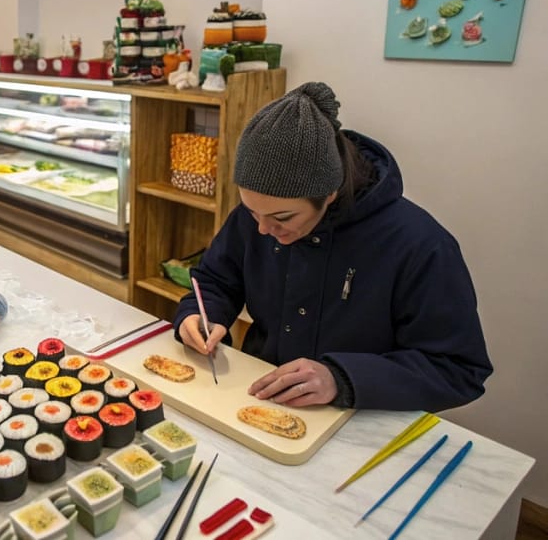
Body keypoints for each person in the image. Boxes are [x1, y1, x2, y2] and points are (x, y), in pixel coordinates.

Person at [173, 81, 492, 412]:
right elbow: (214, 280)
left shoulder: (420, 245)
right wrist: (199, 314)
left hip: (362, 420)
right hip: (260, 401)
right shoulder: (260, 218)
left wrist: (342, 379)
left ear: (330, 193)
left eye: (282, 217)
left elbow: (458, 369)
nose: (264, 229)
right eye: (252, 212)